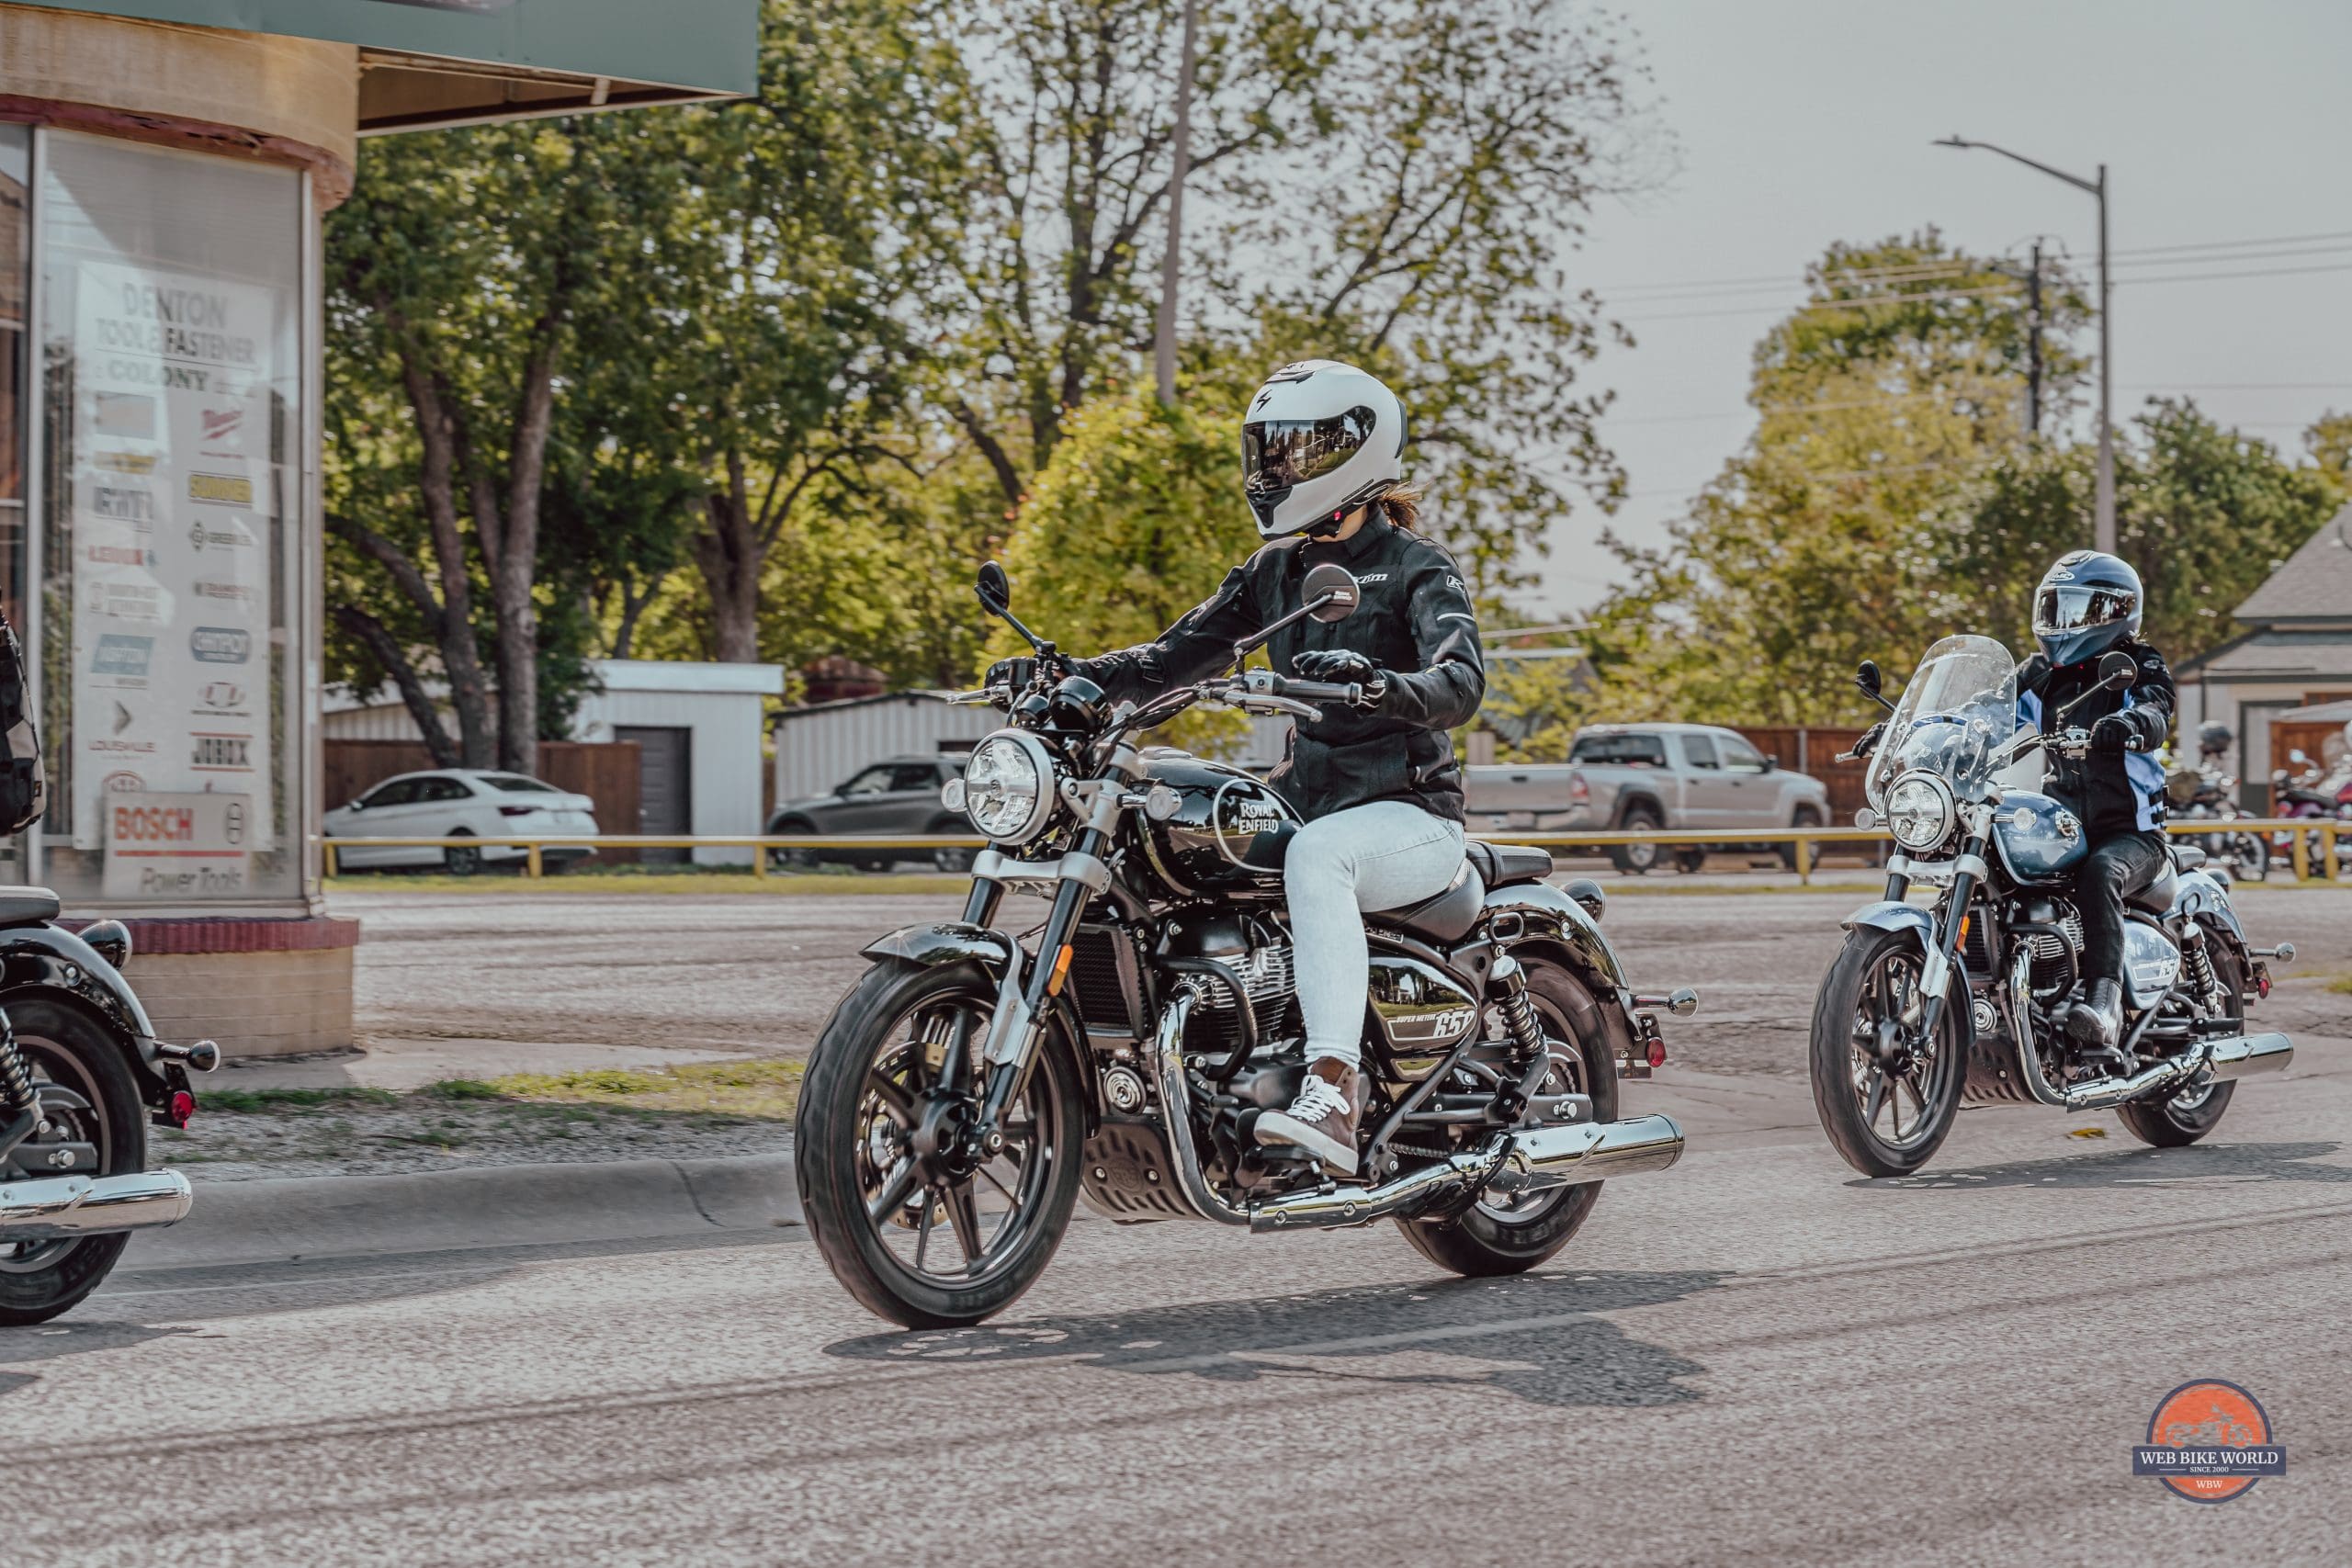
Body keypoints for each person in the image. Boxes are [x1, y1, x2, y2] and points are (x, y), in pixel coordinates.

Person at [987, 359, 1484, 1172]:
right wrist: (1065, 673)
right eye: (1268, 452)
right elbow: (1171, 658)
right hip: (1311, 807)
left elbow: (1460, 681)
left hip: (1411, 815)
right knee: (1171, 822)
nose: (1274, 470)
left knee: (1318, 856)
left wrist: (1378, 684)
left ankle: (1333, 1085)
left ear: (1353, 453)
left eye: (1295, 451)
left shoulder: (1417, 567)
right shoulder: (1275, 573)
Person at [2014, 550, 2177, 1055]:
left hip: (2133, 835)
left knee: (2101, 872)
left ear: (2116, 612)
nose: (2064, 624)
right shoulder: (2041, 674)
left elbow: (2156, 706)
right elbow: (1984, 707)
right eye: (2057, 609)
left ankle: (2103, 1001)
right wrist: (1921, 726)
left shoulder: (2135, 663)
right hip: (2063, 827)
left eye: (2078, 610)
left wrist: (2132, 724)